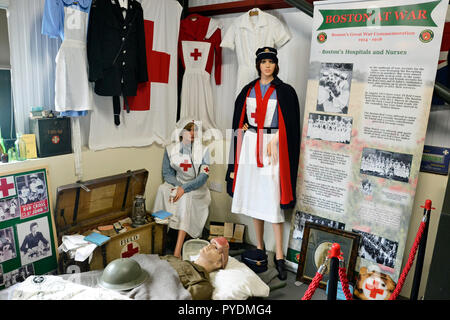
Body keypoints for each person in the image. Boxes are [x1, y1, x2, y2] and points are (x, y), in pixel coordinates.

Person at [226, 47, 300, 280]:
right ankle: (260, 247)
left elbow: (290, 124)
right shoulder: (247, 90)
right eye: (263, 62)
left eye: (271, 62)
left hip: (272, 147)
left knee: (271, 200)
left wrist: (276, 138)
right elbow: (240, 121)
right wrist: (245, 132)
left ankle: (279, 255)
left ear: (276, 65)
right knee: (254, 197)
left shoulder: (285, 91)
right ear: (258, 64)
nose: (267, 65)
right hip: (249, 145)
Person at [153, 119, 211, 258]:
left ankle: (177, 250)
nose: (192, 133)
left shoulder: (204, 151)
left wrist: (184, 188)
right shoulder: (170, 150)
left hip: (196, 187)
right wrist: (178, 186)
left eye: (195, 130)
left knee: (185, 198)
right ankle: (159, 237)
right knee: (162, 189)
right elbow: (167, 173)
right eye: (189, 129)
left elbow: (203, 176)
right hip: (177, 183)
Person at [161, 236, 229, 300]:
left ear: (218, 264)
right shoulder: (174, 259)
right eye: (211, 244)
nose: (209, 246)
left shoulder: (202, 285)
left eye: (216, 248)